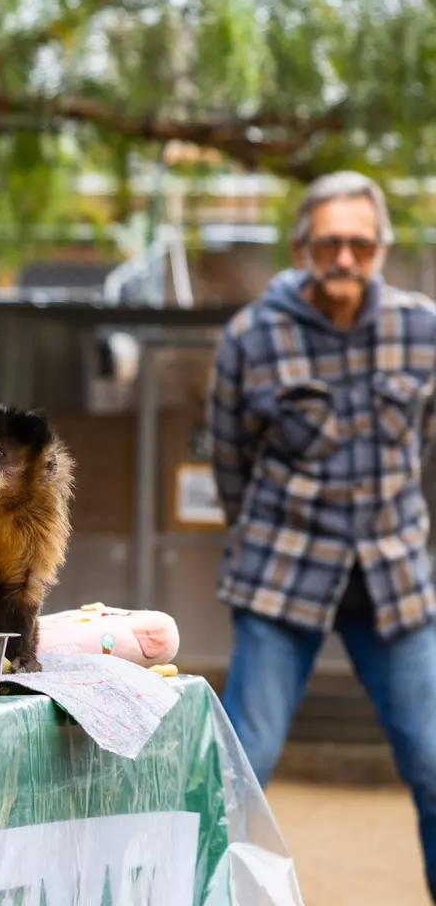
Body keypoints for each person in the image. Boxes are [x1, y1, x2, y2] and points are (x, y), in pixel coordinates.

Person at [211, 171, 436, 895]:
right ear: (303, 246)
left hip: (394, 578)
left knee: (433, 763)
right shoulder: (251, 335)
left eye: (361, 245)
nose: (346, 258)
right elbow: (228, 457)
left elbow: (423, 441)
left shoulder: (421, 328)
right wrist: (267, 533)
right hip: (284, 576)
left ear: (380, 251)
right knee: (244, 764)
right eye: (332, 243)